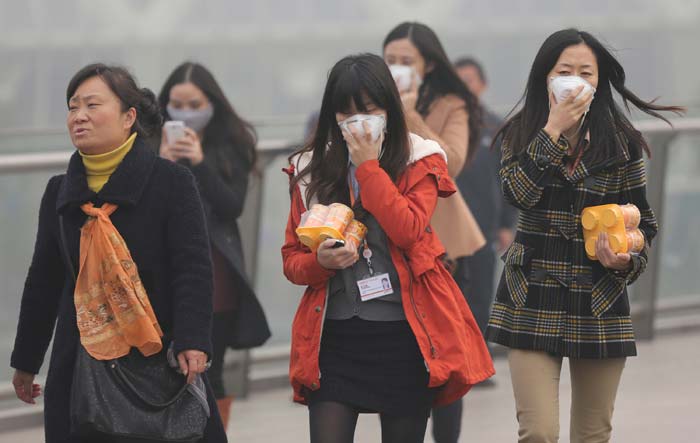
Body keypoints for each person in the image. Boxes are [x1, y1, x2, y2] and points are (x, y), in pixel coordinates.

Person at [281, 53, 493, 443]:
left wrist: (367, 168)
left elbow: (409, 229)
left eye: (368, 109)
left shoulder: (419, 159)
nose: (357, 121)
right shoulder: (311, 168)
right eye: (345, 112)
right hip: (335, 339)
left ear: (389, 109)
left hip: (405, 336)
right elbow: (292, 260)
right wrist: (321, 263)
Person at [10, 63, 227, 443]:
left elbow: (192, 268)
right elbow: (43, 282)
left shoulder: (171, 182)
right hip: (79, 364)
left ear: (129, 117)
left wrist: (194, 340)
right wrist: (26, 362)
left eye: (92, 105)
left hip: (158, 357)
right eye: (73, 106)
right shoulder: (60, 192)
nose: (79, 116)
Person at [487, 29, 683, 443]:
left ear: (599, 81)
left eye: (585, 72)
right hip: (531, 295)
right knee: (538, 432)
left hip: (599, 297)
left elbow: (644, 224)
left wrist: (628, 258)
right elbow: (517, 194)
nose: (575, 80)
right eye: (564, 71)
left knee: (593, 433)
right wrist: (553, 130)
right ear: (545, 77)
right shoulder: (519, 133)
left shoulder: (621, 142)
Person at [382, 22, 485, 443]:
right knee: (402, 353)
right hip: (390, 238)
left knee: (446, 354)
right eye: (390, 60)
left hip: (442, 246)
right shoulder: (372, 99)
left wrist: (410, 114)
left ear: (427, 64)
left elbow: (454, 161)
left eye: (407, 62)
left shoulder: (451, 102)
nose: (397, 69)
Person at [158, 62, 269, 431]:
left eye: (194, 104)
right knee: (161, 365)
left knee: (209, 366)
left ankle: (214, 433)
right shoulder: (149, 140)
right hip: (161, 268)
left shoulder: (230, 144)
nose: (185, 113)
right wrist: (161, 162)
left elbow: (231, 205)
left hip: (214, 271)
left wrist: (200, 162)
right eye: (177, 104)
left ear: (212, 104)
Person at [453, 56, 518, 353]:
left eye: (469, 81)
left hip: (484, 227)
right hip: (448, 228)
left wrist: (506, 224)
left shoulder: (495, 128)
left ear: (482, 85)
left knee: (480, 294)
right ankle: (454, 359)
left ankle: (477, 359)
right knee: (450, 295)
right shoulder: (442, 128)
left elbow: (508, 178)